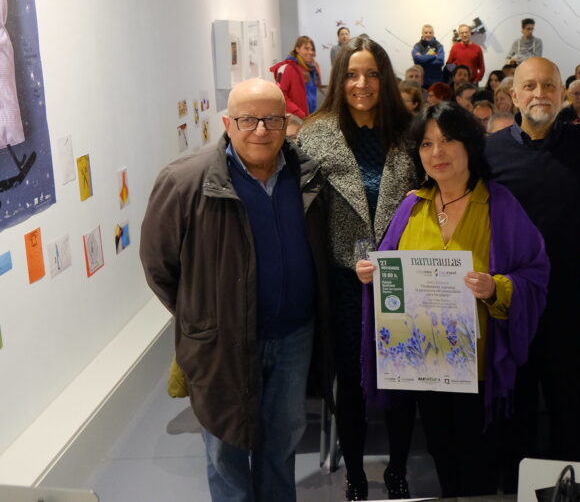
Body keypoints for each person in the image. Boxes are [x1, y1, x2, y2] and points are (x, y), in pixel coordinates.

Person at [140, 79, 331, 502]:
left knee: (282, 444)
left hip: (294, 338)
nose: (260, 129)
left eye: (272, 119)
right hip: (220, 342)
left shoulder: (307, 175)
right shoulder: (184, 183)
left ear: (287, 123)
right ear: (228, 123)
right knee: (224, 450)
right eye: (248, 119)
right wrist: (202, 314)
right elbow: (159, 265)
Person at [355, 102, 549, 498]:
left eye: (447, 140)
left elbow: (536, 273)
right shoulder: (411, 206)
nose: (436, 153)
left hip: (477, 370)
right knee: (441, 455)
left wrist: (497, 288)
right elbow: (390, 277)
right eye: (426, 144)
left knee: (479, 466)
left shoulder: (499, 205)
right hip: (425, 366)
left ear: (470, 146)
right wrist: (371, 276)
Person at [297, 36, 418, 501]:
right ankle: (355, 475)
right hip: (344, 277)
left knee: (400, 378)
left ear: (383, 78)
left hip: (400, 276)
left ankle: (399, 470)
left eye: (370, 74)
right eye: (351, 74)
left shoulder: (409, 131)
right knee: (350, 380)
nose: (361, 84)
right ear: (338, 79)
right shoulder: (316, 132)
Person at [485, 57, 580, 487]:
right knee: (513, 415)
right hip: (510, 306)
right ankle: (517, 490)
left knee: (570, 411)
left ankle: (570, 491)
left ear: (564, 94)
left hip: (570, 302)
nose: (540, 94)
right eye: (530, 86)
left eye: (549, 86)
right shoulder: (489, 152)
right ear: (513, 96)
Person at [270, 36, 322, 120]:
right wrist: (300, 114)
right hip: (297, 118)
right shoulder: (289, 68)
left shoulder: (312, 69)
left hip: (310, 117)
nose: (310, 52)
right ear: (297, 49)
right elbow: (281, 96)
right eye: (306, 48)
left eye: (312, 49)